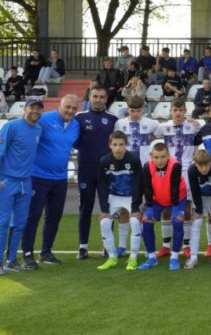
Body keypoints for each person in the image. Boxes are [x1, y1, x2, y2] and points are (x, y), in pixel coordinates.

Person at [20, 94, 80, 270]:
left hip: (60, 179)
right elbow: (23, 129)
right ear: (59, 106)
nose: (70, 111)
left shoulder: (76, 125)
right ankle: (27, 254)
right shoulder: (44, 119)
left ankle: (46, 252)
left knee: (54, 216)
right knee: (33, 216)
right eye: (67, 107)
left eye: (74, 108)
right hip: (37, 177)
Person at [73, 86, 118, 260]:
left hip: (107, 172)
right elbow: (75, 141)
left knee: (108, 208)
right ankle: (83, 247)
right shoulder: (80, 118)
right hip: (85, 170)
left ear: (106, 99)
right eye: (95, 96)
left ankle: (108, 246)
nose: (98, 99)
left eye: (101, 96)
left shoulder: (113, 119)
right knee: (85, 207)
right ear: (90, 98)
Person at [0, 97, 43, 274]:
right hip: (7, 181)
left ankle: (11, 260)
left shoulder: (38, 129)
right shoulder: (11, 126)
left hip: (26, 182)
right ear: (25, 108)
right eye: (32, 107)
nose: (35, 111)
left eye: (39, 108)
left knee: (20, 222)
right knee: (2, 222)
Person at [154, 98, 201, 257]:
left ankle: (186, 245)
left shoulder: (193, 126)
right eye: (175, 110)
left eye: (181, 110)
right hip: (169, 171)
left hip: (187, 170)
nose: (178, 113)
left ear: (185, 111)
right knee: (166, 207)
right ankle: (166, 245)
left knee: (186, 207)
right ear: (170, 111)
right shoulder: (162, 127)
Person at [95, 131, 143, 271]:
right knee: (104, 222)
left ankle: (133, 258)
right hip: (114, 197)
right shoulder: (104, 161)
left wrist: (135, 207)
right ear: (109, 145)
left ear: (126, 145)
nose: (118, 148)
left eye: (121, 144)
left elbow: (137, 184)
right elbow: (102, 186)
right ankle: (112, 257)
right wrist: (104, 209)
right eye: (115, 144)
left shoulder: (133, 160)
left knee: (134, 221)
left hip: (130, 197)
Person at [136, 142, 188, 271]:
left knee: (177, 222)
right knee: (146, 222)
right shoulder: (147, 166)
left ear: (168, 156)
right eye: (156, 157)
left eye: (163, 157)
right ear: (151, 157)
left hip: (177, 198)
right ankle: (152, 258)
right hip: (157, 199)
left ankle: (174, 257)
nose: (159, 160)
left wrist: (176, 210)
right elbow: (147, 188)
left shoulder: (175, 165)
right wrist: (149, 208)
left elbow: (174, 188)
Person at [186, 149, 211, 268]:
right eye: (200, 166)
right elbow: (194, 190)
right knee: (196, 222)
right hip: (200, 196)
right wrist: (198, 209)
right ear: (195, 164)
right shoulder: (192, 170)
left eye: (206, 165)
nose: (203, 169)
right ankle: (193, 257)